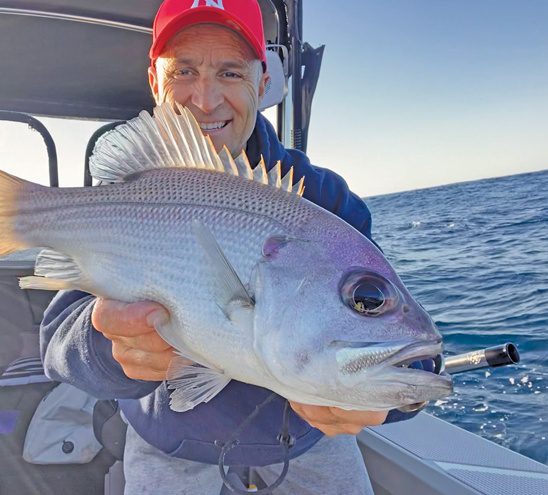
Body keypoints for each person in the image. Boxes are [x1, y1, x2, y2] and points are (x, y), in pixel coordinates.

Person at [41, 1, 423, 493]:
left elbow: (388, 323)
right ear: (155, 83)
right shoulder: (123, 196)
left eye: (229, 71)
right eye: (183, 71)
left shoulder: (323, 199)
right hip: (168, 442)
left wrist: (396, 395)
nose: (206, 98)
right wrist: (110, 348)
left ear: (261, 84)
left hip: (305, 438)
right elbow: (57, 343)